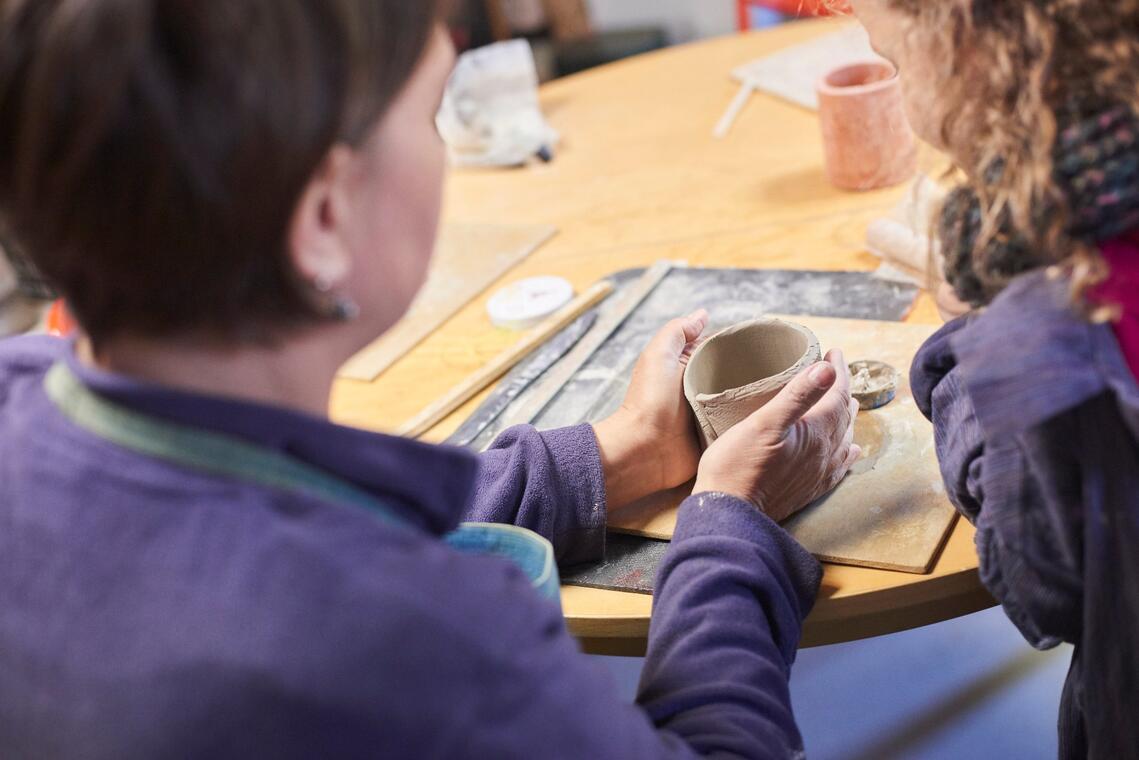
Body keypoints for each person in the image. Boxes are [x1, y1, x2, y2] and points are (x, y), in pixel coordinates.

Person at [0, 2, 860, 756]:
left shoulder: (21, 385)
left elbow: (300, 512)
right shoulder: (414, 644)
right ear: (326, 216)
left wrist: (617, 455)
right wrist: (727, 528)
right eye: (430, 111)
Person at [848, 1, 1139, 757]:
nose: (903, 98)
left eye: (894, 63)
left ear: (971, 47)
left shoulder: (1058, 310)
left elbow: (1039, 579)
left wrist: (959, 352)